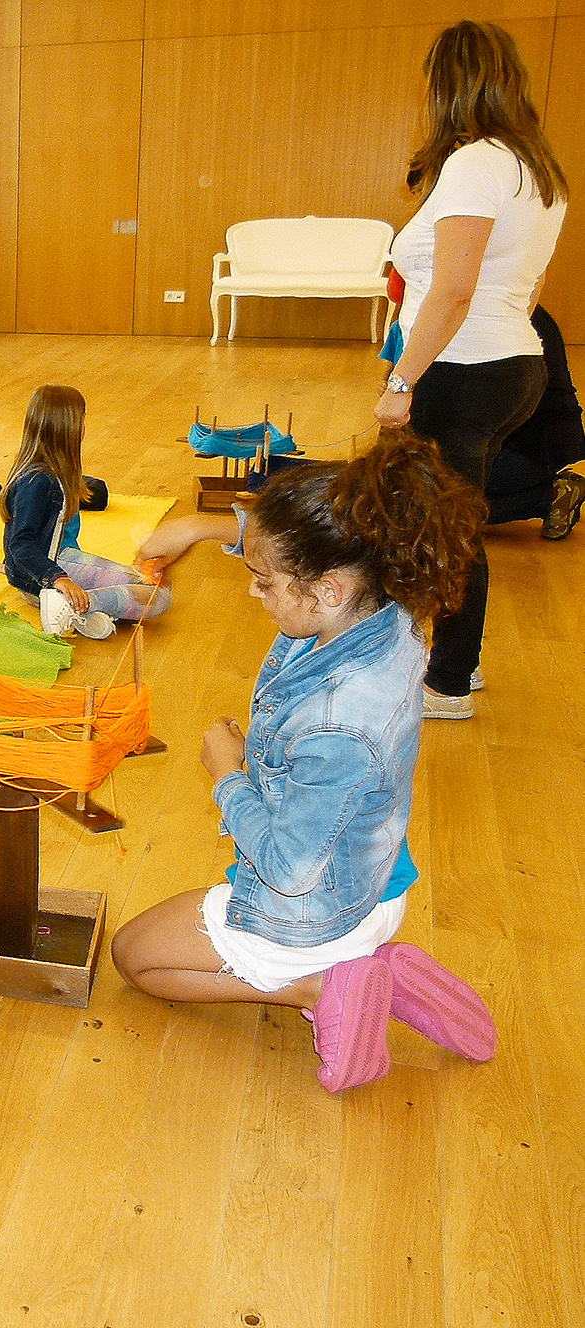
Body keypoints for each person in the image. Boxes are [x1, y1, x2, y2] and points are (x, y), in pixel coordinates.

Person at [109, 430, 497, 1093]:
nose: (254, 592)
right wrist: (204, 528)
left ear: (329, 588)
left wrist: (227, 774)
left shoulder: (337, 724)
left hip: (313, 916)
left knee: (134, 959)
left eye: (265, 582)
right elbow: (305, 542)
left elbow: (289, 870)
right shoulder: (387, 603)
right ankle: (378, 966)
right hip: (376, 884)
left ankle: (323, 986)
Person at [373, 20, 567, 720]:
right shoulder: (537, 169)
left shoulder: (476, 163)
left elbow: (454, 290)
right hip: (514, 363)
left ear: (450, 85)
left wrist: (402, 381)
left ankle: (448, 682)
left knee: (446, 529)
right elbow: (530, 288)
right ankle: (459, 663)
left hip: (463, 370)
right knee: (457, 517)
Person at [0, 384, 168, 639]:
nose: (84, 428)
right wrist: (58, 578)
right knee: (158, 594)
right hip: (50, 574)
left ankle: (76, 608)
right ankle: (77, 605)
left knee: (146, 585)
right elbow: (20, 544)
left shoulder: (49, 474)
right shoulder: (38, 482)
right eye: (81, 420)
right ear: (66, 428)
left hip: (43, 578)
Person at [482, 306, 585, 537]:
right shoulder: (518, 306)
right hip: (525, 441)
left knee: (439, 504)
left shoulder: (505, 316)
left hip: (531, 447)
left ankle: (548, 497)